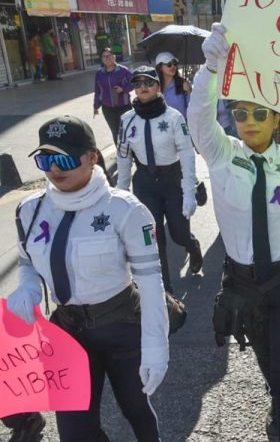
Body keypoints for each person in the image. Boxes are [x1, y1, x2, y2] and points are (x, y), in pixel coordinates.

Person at [189, 24, 280, 441]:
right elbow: (198, 118)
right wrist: (209, 70)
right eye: (240, 114)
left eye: (259, 114)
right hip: (243, 284)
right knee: (270, 367)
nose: (249, 122)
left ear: (276, 119)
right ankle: (278, 399)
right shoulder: (221, 154)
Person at [8, 115, 168, 441]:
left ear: (92, 157)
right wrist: (27, 286)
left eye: (65, 159)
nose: (55, 169)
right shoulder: (30, 210)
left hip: (121, 326)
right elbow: (27, 260)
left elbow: (152, 283)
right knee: (75, 432)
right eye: (45, 159)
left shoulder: (126, 209)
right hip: (67, 332)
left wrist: (156, 347)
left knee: (136, 409)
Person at [117, 66, 202, 293]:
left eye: (148, 82)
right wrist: (120, 194)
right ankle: (166, 292)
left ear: (158, 86)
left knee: (179, 233)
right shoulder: (127, 120)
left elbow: (187, 154)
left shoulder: (174, 118)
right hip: (145, 183)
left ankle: (192, 245)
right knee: (154, 239)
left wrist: (189, 192)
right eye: (138, 84)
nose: (143, 87)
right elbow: (123, 157)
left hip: (173, 180)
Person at [94, 47, 134, 145]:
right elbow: (97, 90)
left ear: (114, 57)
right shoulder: (99, 73)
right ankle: (120, 152)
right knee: (115, 132)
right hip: (108, 109)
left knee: (127, 130)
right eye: (104, 56)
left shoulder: (123, 70)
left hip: (124, 107)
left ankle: (132, 151)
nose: (107, 58)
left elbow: (134, 83)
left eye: (109, 56)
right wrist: (96, 106)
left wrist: (123, 89)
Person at [155, 52, 192, 120]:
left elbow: (193, 108)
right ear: (160, 68)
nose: (173, 66)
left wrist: (189, 92)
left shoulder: (183, 84)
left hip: (181, 124)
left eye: (175, 63)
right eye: (169, 64)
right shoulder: (154, 87)